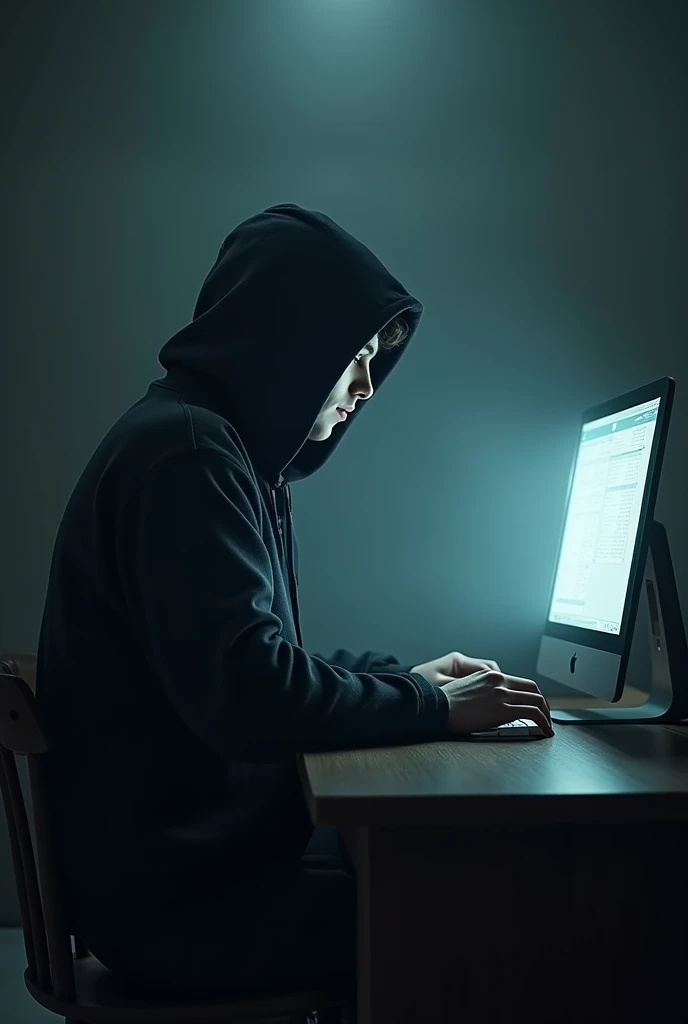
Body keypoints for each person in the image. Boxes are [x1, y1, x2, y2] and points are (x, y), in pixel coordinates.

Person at [35, 204, 552, 1006]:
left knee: (435, 882)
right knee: (480, 918)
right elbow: (249, 693)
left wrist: (408, 680)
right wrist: (427, 704)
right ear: (288, 334)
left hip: (178, 876)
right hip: (180, 908)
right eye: (356, 355)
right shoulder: (190, 458)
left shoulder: (212, 450)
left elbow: (252, 663)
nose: (368, 387)